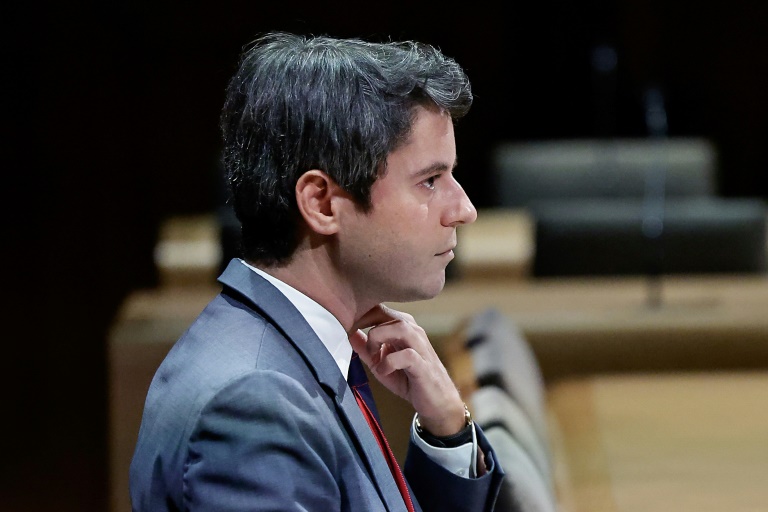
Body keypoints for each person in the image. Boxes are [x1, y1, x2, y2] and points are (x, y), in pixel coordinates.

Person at [129, 31, 504, 511]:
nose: (464, 209)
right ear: (322, 202)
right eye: (430, 181)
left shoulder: (294, 354)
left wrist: (447, 432)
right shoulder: (254, 405)